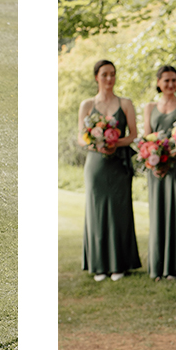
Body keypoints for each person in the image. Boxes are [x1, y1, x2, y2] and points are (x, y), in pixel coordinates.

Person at [78, 59, 140, 282]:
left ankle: (120, 264)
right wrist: (95, 144)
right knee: (97, 212)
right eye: (104, 74)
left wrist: (116, 143)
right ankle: (99, 265)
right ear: (97, 77)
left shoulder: (125, 103)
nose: (109, 79)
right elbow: (80, 136)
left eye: (112, 74)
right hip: (96, 165)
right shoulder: (86, 104)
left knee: (119, 212)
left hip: (119, 164)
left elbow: (133, 135)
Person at [142, 65, 176, 279]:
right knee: (158, 213)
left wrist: (171, 155)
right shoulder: (149, 107)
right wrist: (154, 160)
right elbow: (147, 137)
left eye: (174, 80)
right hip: (155, 166)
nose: (171, 84)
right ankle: (158, 266)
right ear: (158, 83)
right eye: (166, 81)